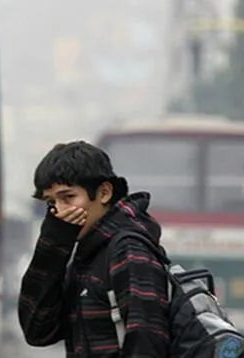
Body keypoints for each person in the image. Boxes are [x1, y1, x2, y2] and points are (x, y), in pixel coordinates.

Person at [18, 141, 169, 357]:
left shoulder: (127, 250)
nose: (59, 211)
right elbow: (37, 331)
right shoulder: (85, 254)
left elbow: (148, 343)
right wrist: (52, 246)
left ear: (104, 193)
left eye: (68, 197)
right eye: (51, 202)